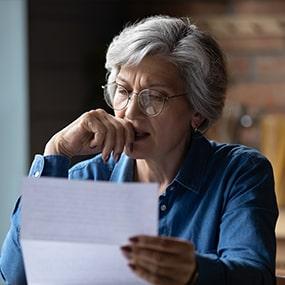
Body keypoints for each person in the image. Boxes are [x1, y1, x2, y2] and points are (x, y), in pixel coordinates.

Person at [0, 15, 278, 285]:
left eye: (154, 96)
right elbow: (16, 277)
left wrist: (195, 272)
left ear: (198, 110)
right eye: (122, 90)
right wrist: (55, 152)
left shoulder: (239, 172)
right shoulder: (89, 177)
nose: (130, 112)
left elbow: (255, 275)